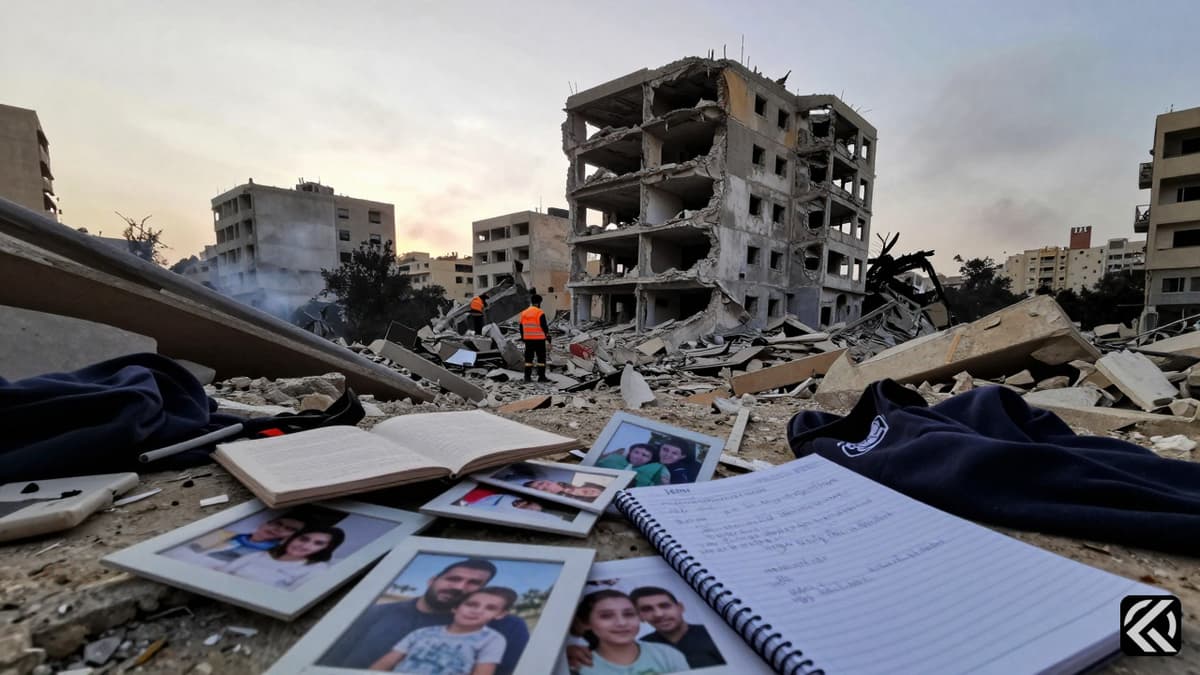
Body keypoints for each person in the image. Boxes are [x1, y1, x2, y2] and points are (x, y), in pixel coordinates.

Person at [318, 559, 530, 675]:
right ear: (432, 579)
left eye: (474, 583)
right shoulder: (376, 614)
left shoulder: (506, 628)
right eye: (453, 578)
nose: (459, 587)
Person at [368, 586, 516, 674]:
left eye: (490, 608)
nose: (477, 611)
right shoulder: (422, 633)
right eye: (471, 604)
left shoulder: (492, 639)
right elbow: (385, 662)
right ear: (455, 607)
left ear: (500, 614)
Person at [570, 590, 689, 675]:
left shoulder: (668, 654)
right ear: (586, 623)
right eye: (606, 616)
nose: (621, 623)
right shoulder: (577, 665)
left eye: (629, 614)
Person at [219, 525, 344, 589]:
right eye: (303, 539)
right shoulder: (260, 555)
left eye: (318, 543)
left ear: (326, 548)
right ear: (292, 538)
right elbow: (222, 574)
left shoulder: (316, 569)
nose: (305, 545)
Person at [165, 513, 306, 569]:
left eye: (289, 529)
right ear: (265, 523)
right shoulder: (225, 534)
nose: (278, 529)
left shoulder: (274, 555)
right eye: (276, 523)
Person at [630, 587, 725, 668]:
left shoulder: (714, 634)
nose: (659, 614)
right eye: (647, 609)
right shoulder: (641, 648)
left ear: (680, 607)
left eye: (664, 606)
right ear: (639, 616)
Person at [596, 443, 669, 487]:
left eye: (644, 455)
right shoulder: (615, 458)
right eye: (636, 452)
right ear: (630, 452)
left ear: (650, 460)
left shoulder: (656, 470)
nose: (638, 457)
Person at [519, 294, 550, 383]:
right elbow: (544, 326)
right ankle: (541, 377)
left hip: (528, 340)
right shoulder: (539, 312)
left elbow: (521, 327)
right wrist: (547, 336)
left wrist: (523, 337)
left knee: (528, 359)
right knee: (541, 359)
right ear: (539, 302)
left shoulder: (524, 313)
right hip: (539, 340)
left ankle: (527, 377)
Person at [523, 479, 607, 502]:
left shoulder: (582, 482)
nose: (540, 486)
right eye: (537, 489)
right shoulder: (566, 501)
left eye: (541, 483)